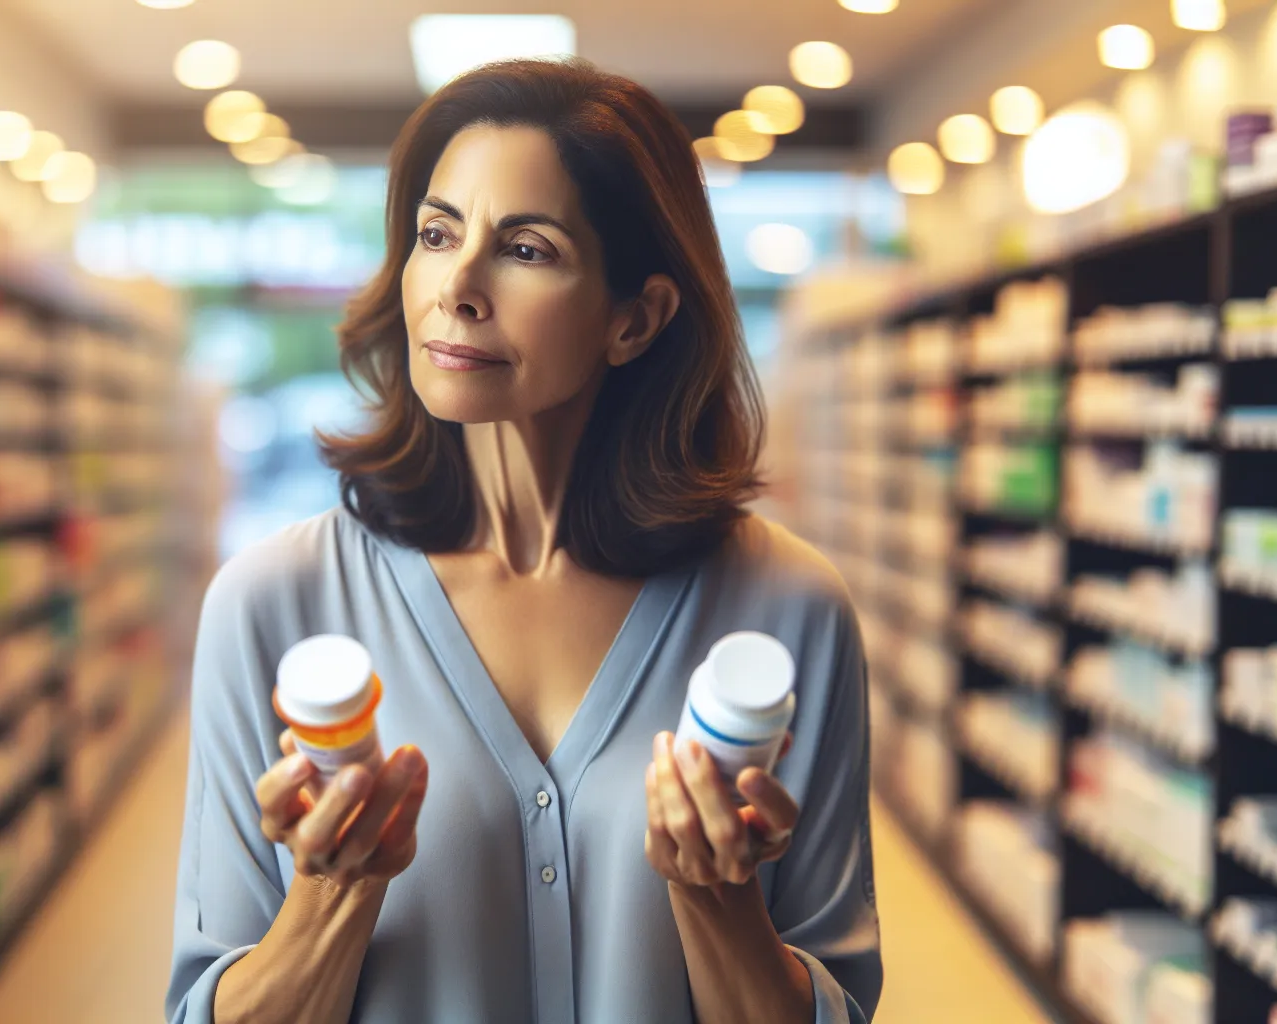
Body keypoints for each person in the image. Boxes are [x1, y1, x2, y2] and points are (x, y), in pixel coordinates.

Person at [165, 58, 880, 1024]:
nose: (457, 286)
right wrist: (332, 895)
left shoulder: (790, 607)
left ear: (635, 319)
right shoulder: (272, 601)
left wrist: (720, 904)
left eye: (527, 249)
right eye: (436, 232)